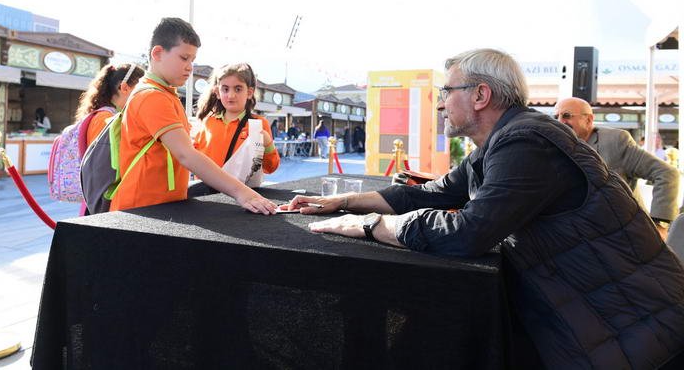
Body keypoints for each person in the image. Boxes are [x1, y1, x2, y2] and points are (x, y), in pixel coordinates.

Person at [287, 48, 684, 369]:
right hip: (603, 321)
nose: (441, 105)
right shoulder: (503, 141)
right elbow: (430, 194)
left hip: (637, 330)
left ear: (480, 95)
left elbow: (468, 233)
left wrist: (373, 224)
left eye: (447, 92)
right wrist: (339, 203)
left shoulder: (527, 142)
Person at [109, 17, 276, 215]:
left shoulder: (164, 94)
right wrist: (243, 193)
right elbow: (186, 154)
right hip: (143, 207)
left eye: (192, 60)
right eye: (184, 58)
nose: (190, 67)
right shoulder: (152, 96)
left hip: (159, 207)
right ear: (158, 53)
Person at [554, 96, 680, 239]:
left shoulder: (614, 141)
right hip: (580, 237)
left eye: (567, 116)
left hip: (625, 236)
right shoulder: (557, 148)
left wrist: (660, 224)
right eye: (556, 116)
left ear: (588, 120)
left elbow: (666, 173)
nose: (560, 121)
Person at [74, 62, 145, 215]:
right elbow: (105, 166)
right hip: (103, 201)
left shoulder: (102, 114)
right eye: (141, 90)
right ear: (124, 87)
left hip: (96, 197)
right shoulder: (106, 119)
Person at [193, 62, 280, 184]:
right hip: (207, 194)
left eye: (238, 89)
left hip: (242, 195)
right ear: (217, 92)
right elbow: (193, 160)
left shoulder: (259, 124)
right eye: (225, 89)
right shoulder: (207, 122)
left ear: (249, 93)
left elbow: (271, 168)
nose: (231, 95)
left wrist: (268, 144)